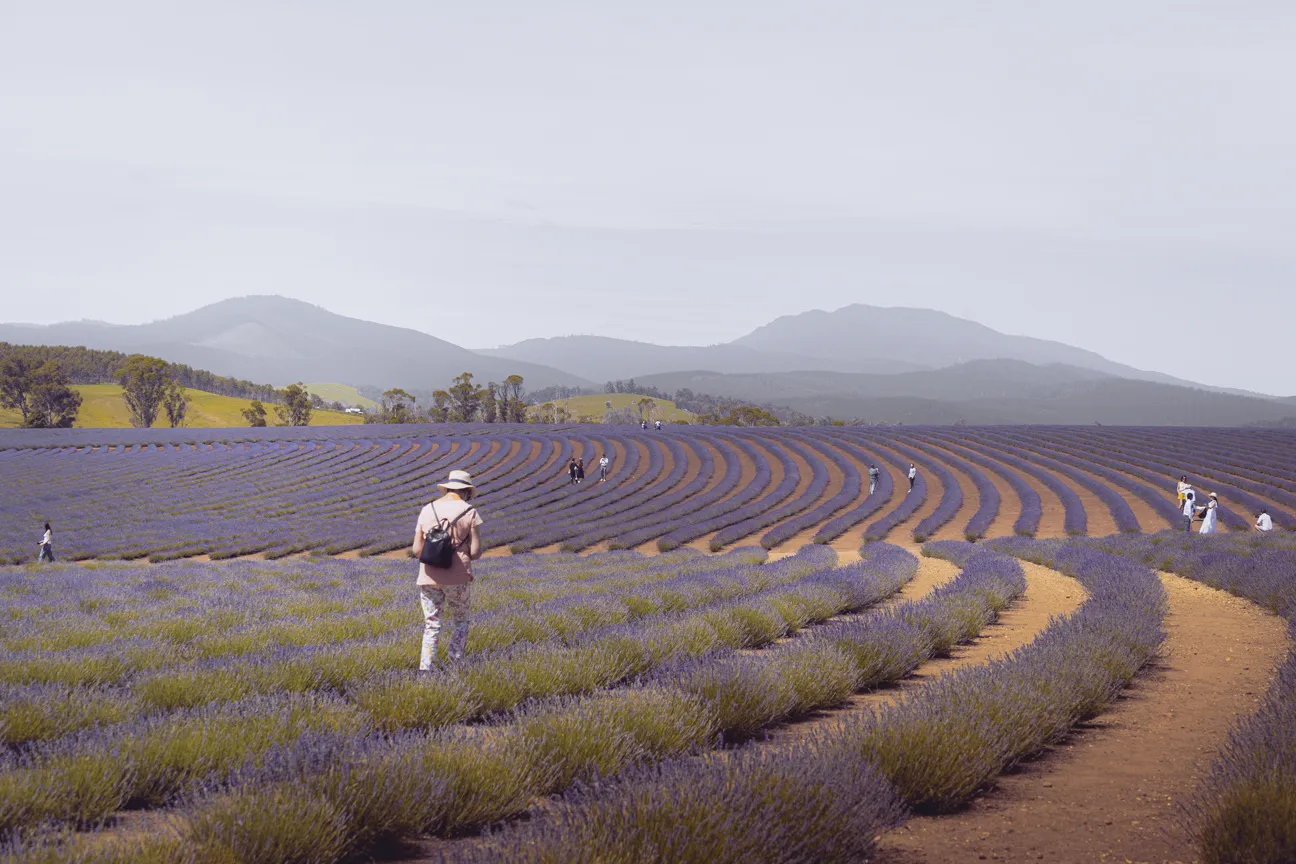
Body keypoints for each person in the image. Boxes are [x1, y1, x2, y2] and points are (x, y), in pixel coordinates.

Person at [412, 470, 483, 670]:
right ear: (466, 491)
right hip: (457, 577)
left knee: (432, 625)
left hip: (428, 576)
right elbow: (476, 552)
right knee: (460, 622)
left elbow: (417, 550)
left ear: (448, 488)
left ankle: (426, 669)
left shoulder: (426, 510)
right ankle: (455, 666)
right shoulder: (470, 512)